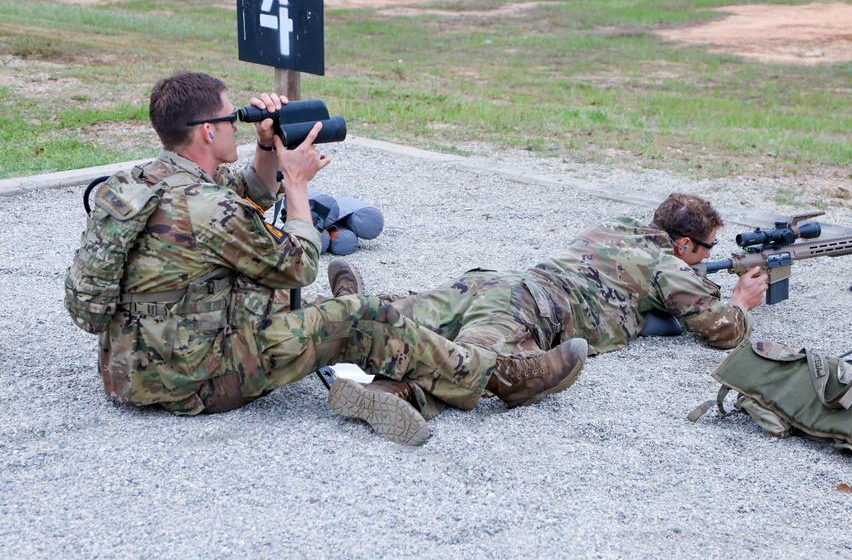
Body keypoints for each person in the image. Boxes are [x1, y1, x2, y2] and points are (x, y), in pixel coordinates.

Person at [72, 71, 587, 446]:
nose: (235, 125)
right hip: (198, 380)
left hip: (133, 371)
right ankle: (499, 376)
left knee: (322, 309)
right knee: (363, 317)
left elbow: (245, 192)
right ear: (207, 130)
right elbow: (297, 264)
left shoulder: (142, 183)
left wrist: (267, 146)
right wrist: (296, 184)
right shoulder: (208, 207)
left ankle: (389, 366)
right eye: (231, 118)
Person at [328, 193, 767, 415]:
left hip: (495, 280)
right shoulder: (664, 263)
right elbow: (719, 331)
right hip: (531, 305)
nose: (709, 256)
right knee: (472, 358)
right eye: (707, 248)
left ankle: (358, 308)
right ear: (684, 243)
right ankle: (391, 393)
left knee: (416, 312)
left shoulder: (614, 226)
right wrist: (741, 302)